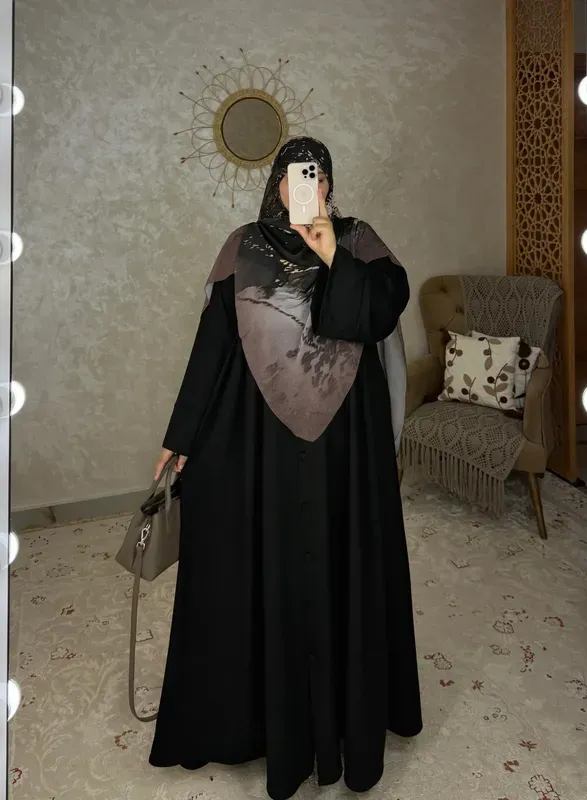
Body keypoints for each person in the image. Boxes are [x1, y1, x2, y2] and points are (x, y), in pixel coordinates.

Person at [149, 137, 422, 800]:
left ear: (328, 184)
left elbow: (379, 312)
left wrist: (329, 249)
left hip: (345, 443)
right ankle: (262, 723)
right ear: (276, 183)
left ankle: (341, 718)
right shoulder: (242, 246)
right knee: (260, 563)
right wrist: (181, 436)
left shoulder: (358, 240)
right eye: (296, 175)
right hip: (258, 438)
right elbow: (214, 344)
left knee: (339, 561)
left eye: (318, 175)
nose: (307, 185)